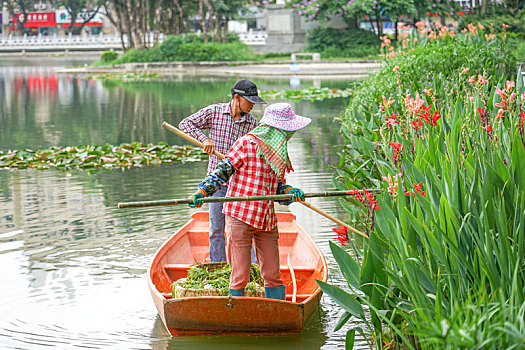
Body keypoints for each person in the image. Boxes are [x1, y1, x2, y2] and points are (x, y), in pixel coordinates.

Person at [189, 103, 311, 300]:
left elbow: (276, 188)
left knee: (272, 274)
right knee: (240, 275)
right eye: (287, 130)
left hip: (266, 218)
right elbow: (221, 172)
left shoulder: (277, 153)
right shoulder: (245, 144)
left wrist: (289, 192)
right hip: (240, 216)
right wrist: (203, 191)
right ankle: (235, 309)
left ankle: (276, 310)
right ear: (276, 129)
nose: (290, 135)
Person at [179, 80, 266, 263]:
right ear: (236, 97)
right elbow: (185, 124)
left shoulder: (252, 124)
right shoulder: (214, 112)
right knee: (217, 229)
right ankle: (218, 266)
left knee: (243, 230)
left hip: (240, 186)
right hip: (216, 184)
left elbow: (257, 153)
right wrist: (204, 139)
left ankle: (252, 270)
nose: (252, 105)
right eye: (249, 101)